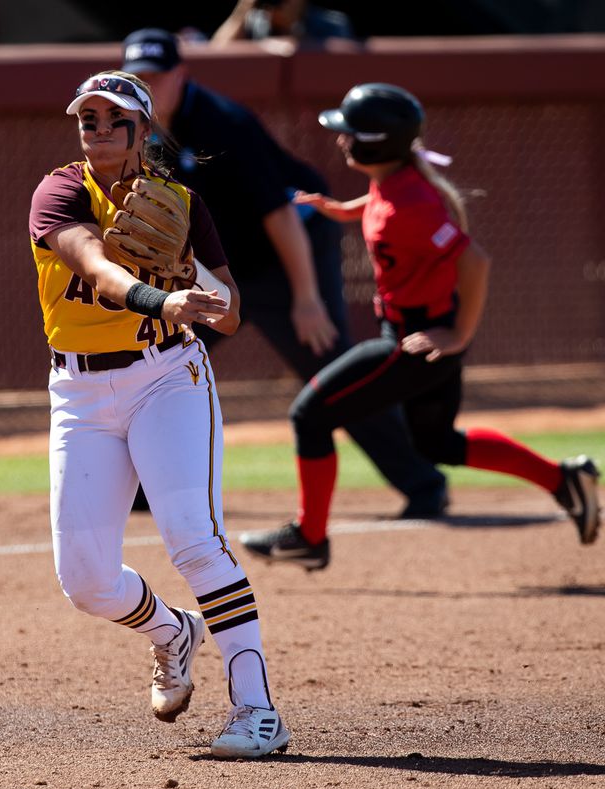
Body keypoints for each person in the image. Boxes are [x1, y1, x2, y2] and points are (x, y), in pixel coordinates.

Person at [28, 69, 290, 758]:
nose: (100, 129)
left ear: (144, 131)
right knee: (84, 581)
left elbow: (230, 315)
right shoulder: (59, 192)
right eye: (89, 118)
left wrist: (191, 278)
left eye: (116, 120)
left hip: (165, 379)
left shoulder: (179, 201)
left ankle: (258, 711)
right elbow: (93, 265)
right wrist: (158, 296)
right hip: (80, 395)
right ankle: (173, 632)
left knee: (194, 539)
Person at [239, 83, 602, 570]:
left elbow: (475, 261)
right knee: (437, 443)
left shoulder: (410, 203)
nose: (342, 140)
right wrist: (341, 209)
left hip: (418, 338)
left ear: (377, 143)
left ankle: (310, 536)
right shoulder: (393, 179)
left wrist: (458, 336)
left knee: (311, 415)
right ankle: (563, 480)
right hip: (421, 331)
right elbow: (381, 204)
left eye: (350, 133)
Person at [120, 28, 449, 518]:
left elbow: (279, 213)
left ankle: (424, 483)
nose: (149, 84)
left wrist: (307, 299)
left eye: (158, 75)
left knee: (328, 367)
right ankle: (144, 487)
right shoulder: (138, 131)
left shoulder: (222, 122)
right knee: (161, 360)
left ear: (181, 74)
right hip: (222, 268)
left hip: (288, 255)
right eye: (138, 75)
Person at [211, 0, 358, 48]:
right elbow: (217, 56)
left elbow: (341, 71)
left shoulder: (333, 24)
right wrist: (243, 9)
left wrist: (293, 29)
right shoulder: (254, 23)